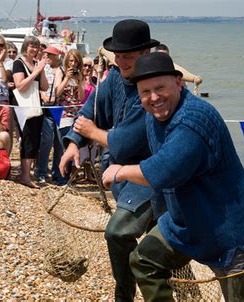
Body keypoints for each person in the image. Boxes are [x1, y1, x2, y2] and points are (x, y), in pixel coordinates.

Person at [102, 52, 244, 301]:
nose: (154, 98)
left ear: (178, 82)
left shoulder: (192, 120)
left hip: (232, 233)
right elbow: (132, 149)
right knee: (145, 259)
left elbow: (162, 171)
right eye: (145, 91)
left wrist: (120, 171)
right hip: (186, 224)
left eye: (160, 88)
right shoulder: (153, 116)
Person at [59, 19, 159, 301]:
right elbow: (88, 112)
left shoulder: (151, 89)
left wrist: (92, 133)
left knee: (118, 234)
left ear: (145, 54)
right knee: (151, 247)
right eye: (118, 55)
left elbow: (128, 141)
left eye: (128, 56)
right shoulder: (113, 78)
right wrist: (74, 144)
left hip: (149, 177)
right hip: (118, 178)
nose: (121, 61)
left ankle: (124, 295)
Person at [12, 35, 48, 188]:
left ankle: (28, 173)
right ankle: (24, 176)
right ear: (25, 47)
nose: (34, 49)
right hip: (23, 105)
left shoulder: (36, 64)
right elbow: (19, 85)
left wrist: (42, 69)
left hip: (35, 105)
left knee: (35, 139)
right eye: (31, 46)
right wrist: (35, 72)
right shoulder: (18, 63)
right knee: (27, 138)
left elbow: (45, 87)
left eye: (36, 46)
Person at [35, 46, 65, 184]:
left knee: (59, 143)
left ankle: (57, 172)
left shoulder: (62, 69)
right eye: (46, 54)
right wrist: (43, 95)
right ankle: (41, 170)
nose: (48, 57)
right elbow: (39, 86)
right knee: (46, 140)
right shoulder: (43, 67)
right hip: (46, 106)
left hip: (59, 107)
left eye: (51, 55)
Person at [54, 49, 85, 136]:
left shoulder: (80, 74)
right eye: (71, 60)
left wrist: (79, 82)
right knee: (64, 138)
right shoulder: (61, 71)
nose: (73, 64)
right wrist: (66, 78)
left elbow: (81, 97)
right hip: (63, 112)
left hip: (76, 112)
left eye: (76, 61)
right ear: (67, 60)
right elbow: (57, 93)